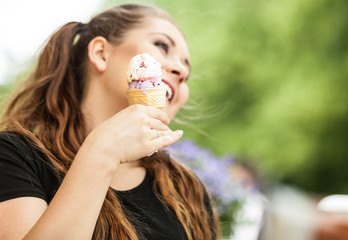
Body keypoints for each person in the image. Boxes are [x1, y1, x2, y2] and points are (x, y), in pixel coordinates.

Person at [0, 4, 220, 240]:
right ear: (101, 53)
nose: (181, 71)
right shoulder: (14, 157)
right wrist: (102, 153)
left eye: (187, 68)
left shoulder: (188, 190)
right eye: (161, 45)